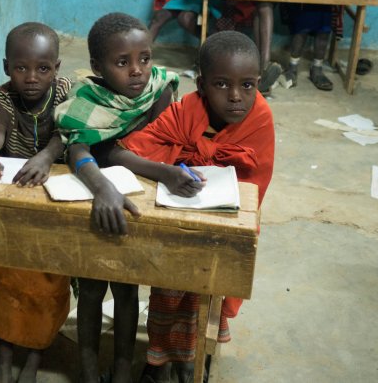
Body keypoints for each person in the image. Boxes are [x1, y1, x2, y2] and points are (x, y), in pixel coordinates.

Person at [108, 31, 275, 383]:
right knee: (171, 280)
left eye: (247, 85)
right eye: (221, 84)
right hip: (178, 213)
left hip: (226, 221)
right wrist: (167, 172)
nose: (235, 97)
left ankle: (195, 356)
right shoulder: (186, 111)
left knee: (213, 280)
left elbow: (254, 188)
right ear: (200, 84)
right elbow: (123, 151)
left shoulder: (260, 118)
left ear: (258, 83)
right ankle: (161, 361)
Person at [55, 13, 180, 383]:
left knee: (128, 292)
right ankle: (90, 374)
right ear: (97, 66)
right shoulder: (86, 100)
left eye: (145, 58)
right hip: (97, 206)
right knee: (91, 291)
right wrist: (103, 188)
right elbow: (77, 150)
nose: (138, 71)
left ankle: (123, 372)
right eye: (122, 63)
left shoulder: (161, 90)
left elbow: (163, 149)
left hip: (141, 207)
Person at [0, 23, 72, 383]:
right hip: (15, 196)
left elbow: (68, 134)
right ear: (6, 67)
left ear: (57, 68)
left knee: (48, 280)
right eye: (21, 68)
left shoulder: (64, 92)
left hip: (56, 197)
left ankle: (33, 357)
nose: (32, 77)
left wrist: (47, 157)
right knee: (5, 278)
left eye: (43, 68)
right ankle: (4, 362)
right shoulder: (3, 97)